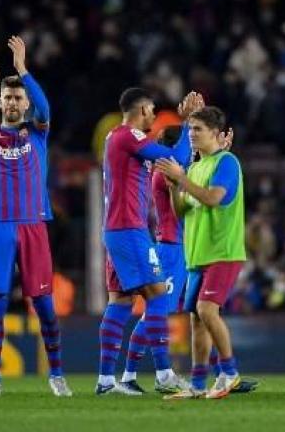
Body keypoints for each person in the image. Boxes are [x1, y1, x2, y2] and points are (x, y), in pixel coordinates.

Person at [0, 36, 71, 398]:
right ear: (1, 102)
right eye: (8, 98)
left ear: (25, 103)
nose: (13, 102)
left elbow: (45, 107)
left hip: (32, 225)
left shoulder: (37, 131)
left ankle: (57, 375)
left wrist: (23, 69)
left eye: (18, 97)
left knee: (44, 304)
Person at [96, 88, 195, 395]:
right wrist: (188, 123)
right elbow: (177, 158)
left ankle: (106, 381)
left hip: (117, 229)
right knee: (157, 296)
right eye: (152, 110)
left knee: (121, 302)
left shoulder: (114, 137)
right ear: (140, 110)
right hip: (129, 229)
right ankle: (165, 374)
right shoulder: (128, 136)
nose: (154, 115)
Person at [156, 106, 247, 399]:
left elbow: (213, 198)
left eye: (198, 130)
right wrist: (173, 188)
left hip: (223, 252)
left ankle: (229, 373)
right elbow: (182, 211)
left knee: (208, 311)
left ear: (217, 135)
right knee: (196, 319)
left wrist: (180, 179)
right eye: (190, 129)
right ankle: (197, 386)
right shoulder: (196, 167)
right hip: (197, 256)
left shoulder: (227, 162)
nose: (191, 135)